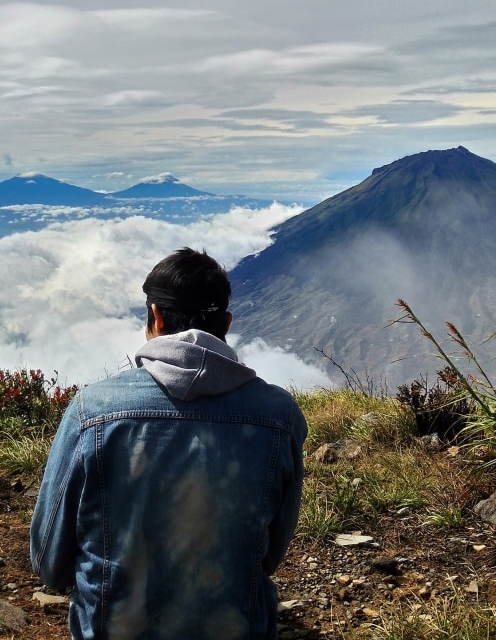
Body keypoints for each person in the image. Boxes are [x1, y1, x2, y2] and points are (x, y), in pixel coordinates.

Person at [30, 247, 307, 640]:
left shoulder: (92, 411)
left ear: (156, 317)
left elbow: (48, 562)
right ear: (226, 323)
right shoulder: (280, 417)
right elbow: (270, 554)